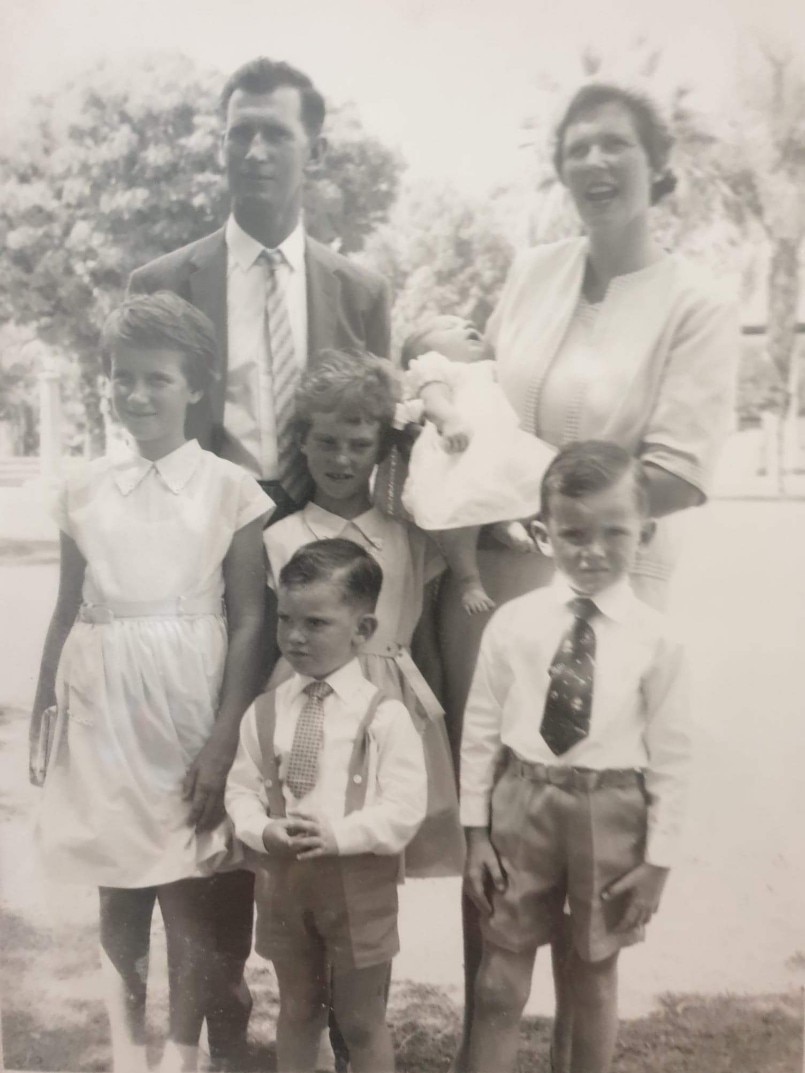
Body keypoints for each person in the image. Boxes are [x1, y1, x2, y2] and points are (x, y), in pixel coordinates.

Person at [441, 82, 737, 1072]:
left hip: (603, 594)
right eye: (576, 148)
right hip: (492, 585)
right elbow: (486, 402)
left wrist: (559, 510)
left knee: (585, 875)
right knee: (494, 850)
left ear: (661, 171)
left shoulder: (695, 300)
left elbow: (682, 471)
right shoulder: (531, 271)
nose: (594, 165)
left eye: (616, 147)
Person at [128, 56, 391, 1064]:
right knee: (216, 778)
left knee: (317, 781)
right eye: (238, 130)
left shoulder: (358, 288)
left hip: (327, 581)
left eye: (276, 131)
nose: (254, 148)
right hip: (208, 582)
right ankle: (220, 1024)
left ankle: (317, 1020)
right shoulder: (169, 279)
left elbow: (381, 438)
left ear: (312, 149)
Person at [29, 293, 273, 1073]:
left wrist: (224, 737)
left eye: (155, 379)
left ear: (195, 386)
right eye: (121, 378)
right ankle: (127, 1051)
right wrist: (44, 701)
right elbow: (69, 605)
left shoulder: (229, 488)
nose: (135, 395)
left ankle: (182, 1051)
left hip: (189, 698)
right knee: (118, 882)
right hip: (103, 702)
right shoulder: (83, 486)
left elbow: (248, 621)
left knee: (192, 878)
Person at [461, 441, 692, 1073]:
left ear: (644, 533)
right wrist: (476, 835)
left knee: (592, 977)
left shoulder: (659, 640)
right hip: (522, 805)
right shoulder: (513, 623)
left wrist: (658, 862)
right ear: (543, 533)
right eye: (573, 533)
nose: (593, 550)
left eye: (613, 533)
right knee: (499, 982)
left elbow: (673, 756)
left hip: (611, 808)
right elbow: (481, 730)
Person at [225, 539, 426, 1073]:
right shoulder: (265, 711)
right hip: (286, 883)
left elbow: (405, 808)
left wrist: (343, 835)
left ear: (362, 630)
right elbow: (241, 789)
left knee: (361, 1018)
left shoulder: (385, 717)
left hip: (358, 883)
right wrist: (262, 831)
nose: (294, 635)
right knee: (297, 1010)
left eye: (316, 623)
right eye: (286, 618)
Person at [263, 349, 465, 878]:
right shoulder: (281, 538)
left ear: (380, 450)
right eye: (327, 443)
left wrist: (436, 714)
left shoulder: (406, 537)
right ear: (302, 442)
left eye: (359, 446)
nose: (342, 460)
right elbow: (273, 636)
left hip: (388, 696)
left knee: (373, 839)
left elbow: (422, 641)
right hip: (303, 694)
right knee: (305, 825)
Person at [396, 314, 554, 615]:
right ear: (422, 351)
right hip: (458, 448)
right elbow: (434, 400)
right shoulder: (437, 367)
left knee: (518, 486)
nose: (466, 325)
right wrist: (450, 420)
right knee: (460, 512)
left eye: (468, 322)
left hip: (496, 446)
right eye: (448, 326)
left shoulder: (490, 369)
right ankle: (469, 579)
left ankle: (502, 523)